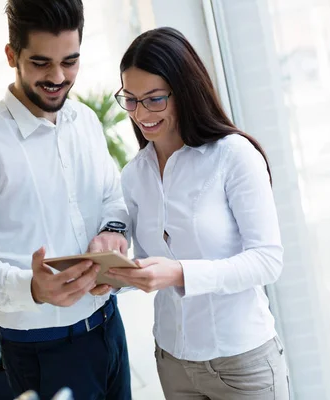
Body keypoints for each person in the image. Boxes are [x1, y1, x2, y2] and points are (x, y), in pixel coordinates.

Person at [0, 0, 131, 398]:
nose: (58, 77)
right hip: (42, 351)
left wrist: (112, 231)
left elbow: (112, 198)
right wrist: (32, 288)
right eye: (42, 63)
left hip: (109, 328)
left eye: (70, 62)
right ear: (12, 55)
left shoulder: (86, 122)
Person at [105, 27, 290, 399]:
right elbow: (148, 262)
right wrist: (109, 275)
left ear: (184, 91)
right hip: (173, 361)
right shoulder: (134, 174)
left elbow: (267, 261)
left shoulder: (233, 156)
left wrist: (181, 273)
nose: (141, 114)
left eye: (154, 99)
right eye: (132, 99)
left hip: (242, 363)